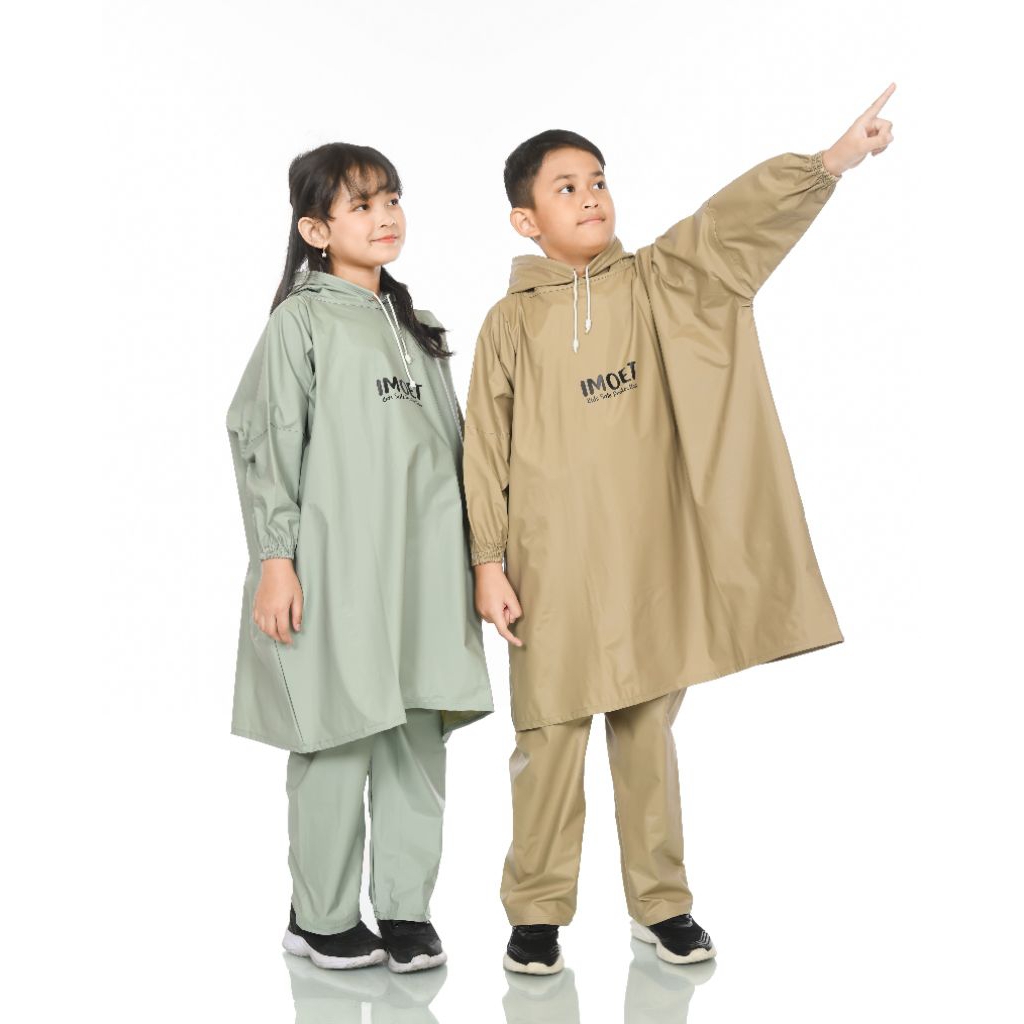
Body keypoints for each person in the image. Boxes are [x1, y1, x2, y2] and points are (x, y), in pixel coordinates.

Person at [464, 86, 896, 973]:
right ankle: (536, 914)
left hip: (648, 559)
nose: (591, 197)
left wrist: (829, 163)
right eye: (565, 188)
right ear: (525, 220)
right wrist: (488, 561)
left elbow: (728, 229)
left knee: (647, 742)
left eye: (598, 181)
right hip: (550, 570)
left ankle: (661, 905)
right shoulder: (509, 324)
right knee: (547, 742)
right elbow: (484, 449)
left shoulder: (660, 282)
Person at [226, 142, 493, 973]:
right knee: (337, 735)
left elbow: (457, 456)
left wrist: (483, 560)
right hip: (334, 568)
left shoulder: (422, 329)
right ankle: (320, 917)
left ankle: (406, 911)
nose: (385, 217)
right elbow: (265, 439)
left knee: (416, 731)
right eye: (362, 204)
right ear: (316, 229)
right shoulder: (301, 323)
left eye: (392, 200)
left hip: (425, 571)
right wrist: (276, 558)